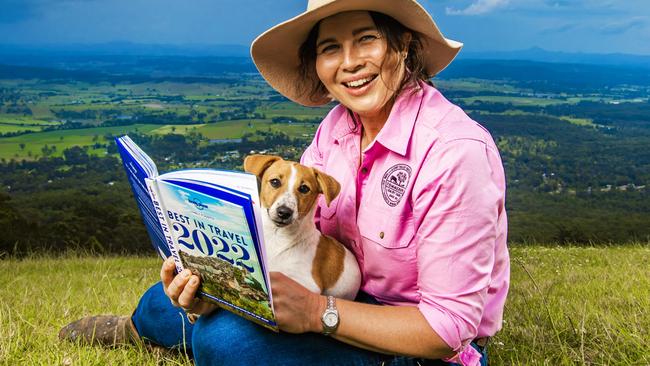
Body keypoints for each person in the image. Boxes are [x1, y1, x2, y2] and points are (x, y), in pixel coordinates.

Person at [59, 0, 510, 365]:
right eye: (330, 48)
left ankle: (188, 338)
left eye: (366, 39)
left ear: (403, 45)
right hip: (330, 290)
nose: (350, 63)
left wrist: (316, 313)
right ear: (317, 63)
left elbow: (446, 330)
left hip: (411, 340)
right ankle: (139, 329)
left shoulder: (455, 151)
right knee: (174, 297)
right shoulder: (338, 127)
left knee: (225, 341)